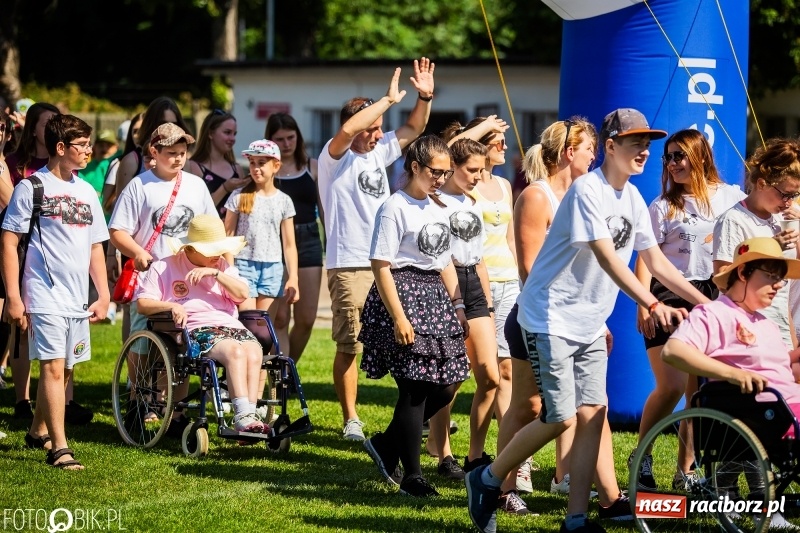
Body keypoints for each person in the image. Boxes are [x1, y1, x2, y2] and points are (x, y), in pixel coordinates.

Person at [465, 108, 711, 533]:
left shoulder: (632, 197)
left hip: (588, 323)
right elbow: (607, 256)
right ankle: (485, 479)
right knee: (559, 416)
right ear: (611, 147)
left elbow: (656, 261)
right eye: (636, 144)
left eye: (647, 145)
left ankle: (576, 518)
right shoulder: (587, 193)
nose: (645, 153)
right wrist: (653, 304)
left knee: (594, 415)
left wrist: (706, 303)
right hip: (548, 318)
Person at [317, 57, 435, 441]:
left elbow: (415, 126)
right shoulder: (333, 158)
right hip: (348, 264)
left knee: (404, 338)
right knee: (351, 343)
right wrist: (386, 99)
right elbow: (349, 129)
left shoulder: (379, 152)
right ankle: (351, 418)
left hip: (386, 262)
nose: (377, 135)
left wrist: (425, 95)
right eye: (371, 129)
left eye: (379, 130)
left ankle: (415, 415)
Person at [630, 128, 746, 491]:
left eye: (679, 155)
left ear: (701, 156)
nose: (672, 163)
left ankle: (686, 471)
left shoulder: (732, 197)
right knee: (671, 385)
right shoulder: (662, 206)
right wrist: (644, 303)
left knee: (698, 393)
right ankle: (642, 455)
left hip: (715, 294)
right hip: (668, 296)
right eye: (668, 157)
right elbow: (646, 260)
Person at [496, 118, 601, 514]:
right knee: (529, 407)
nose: (595, 156)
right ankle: (502, 487)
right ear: (570, 152)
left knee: (576, 406)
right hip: (536, 319)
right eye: (590, 148)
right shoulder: (538, 197)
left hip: (574, 319)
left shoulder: (583, 195)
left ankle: (566, 478)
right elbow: (529, 268)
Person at [662, 236, 800, 530]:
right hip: (761, 411)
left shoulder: (767, 324)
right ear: (743, 273)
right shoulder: (712, 313)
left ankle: (726, 491)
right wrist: (734, 374)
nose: (778, 285)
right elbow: (673, 351)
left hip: (782, 406)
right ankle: (747, 500)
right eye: (770, 277)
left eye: (781, 279)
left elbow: (778, 369)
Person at [360, 135, 469, 497]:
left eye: (446, 172)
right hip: (401, 295)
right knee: (415, 388)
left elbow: (445, 262)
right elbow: (381, 264)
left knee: (448, 382)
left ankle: (387, 445)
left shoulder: (439, 208)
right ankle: (412, 476)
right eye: (435, 171)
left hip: (435, 299)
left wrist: (458, 307)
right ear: (415, 167)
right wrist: (399, 318)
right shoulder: (395, 206)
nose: (441, 178)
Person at [1, 114, 109, 469]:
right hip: (43, 294)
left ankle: (36, 431)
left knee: (66, 371)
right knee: (52, 368)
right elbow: (9, 240)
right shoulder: (31, 188)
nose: (89, 151)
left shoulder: (87, 191)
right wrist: (15, 297)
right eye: (82, 145)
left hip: (77, 298)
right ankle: (59, 447)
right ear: (60, 148)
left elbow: (96, 245)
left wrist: (103, 293)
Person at [109, 122, 217, 436]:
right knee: (143, 342)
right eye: (171, 153)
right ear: (153, 152)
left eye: (183, 153)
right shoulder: (140, 186)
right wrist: (138, 253)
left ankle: (175, 410)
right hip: (151, 277)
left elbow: (211, 225)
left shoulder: (196, 185)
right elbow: (117, 231)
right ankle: (139, 401)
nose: (179, 158)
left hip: (186, 278)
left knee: (179, 344)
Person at [135, 214, 267, 433]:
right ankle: (243, 417)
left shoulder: (221, 266)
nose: (217, 255)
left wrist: (216, 274)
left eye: (219, 249)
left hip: (230, 324)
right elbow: (143, 304)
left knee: (254, 351)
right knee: (234, 352)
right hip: (195, 327)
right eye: (210, 251)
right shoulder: (164, 267)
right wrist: (171, 307)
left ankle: (248, 417)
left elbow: (243, 293)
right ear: (190, 249)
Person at [424, 138, 493, 483]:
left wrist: (489, 304)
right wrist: (456, 302)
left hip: (474, 285)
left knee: (491, 376)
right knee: (450, 378)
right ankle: (444, 453)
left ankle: (476, 455)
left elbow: (478, 257)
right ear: (452, 167)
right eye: (472, 170)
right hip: (444, 285)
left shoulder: (472, 202)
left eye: (482, 169)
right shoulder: (435, 203)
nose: (479, 176)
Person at [443, 115, 517, 427]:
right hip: (466, 280)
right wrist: (484, 126)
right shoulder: (460, 184)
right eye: (498, 140)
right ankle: (438, 434)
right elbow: (446, 152)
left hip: (506, 281)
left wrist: (521, 277)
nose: (505, 146)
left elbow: (511, 238)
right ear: (481, 147)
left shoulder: (504, 184)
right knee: (459, 370)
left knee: (505, 369)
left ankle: (509, 444)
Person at [713, 137, 800, 350]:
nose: (788, 202)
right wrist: (770, 247)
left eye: (795, 195)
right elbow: (722, 278)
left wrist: (792, 342)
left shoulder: (781, 220)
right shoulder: (733, 220)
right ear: (761, 184)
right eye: (785, 195)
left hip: (781, 331)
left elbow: (785, 289)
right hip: (745, 333)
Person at [266, 112, 322, 363]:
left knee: (307, 318)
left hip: (309, 238)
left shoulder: (313, 166)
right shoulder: (265, 171)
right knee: (279, 318)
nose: (287, 144)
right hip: (274, 242)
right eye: (280, 139)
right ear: (270, 141)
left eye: (291, 137)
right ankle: (280, 380)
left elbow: (324, 207)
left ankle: (287, 370)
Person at [224, 139, 299, 313]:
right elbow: (228, 237)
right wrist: (230, 269)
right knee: (248, 322)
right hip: (243, 265)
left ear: (276, 165)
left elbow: (289, 245)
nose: (255, 168)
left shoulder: (284, 201)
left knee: (265, 327)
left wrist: (293, 277)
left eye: (262, 163)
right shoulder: (239, 196)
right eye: (252, 163)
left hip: (272, 268)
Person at [114, 97, 191, 200]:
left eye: (174, 124)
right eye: (162, 123)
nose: (169, 128)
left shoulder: (185, 162)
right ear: (151, 124)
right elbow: (122, 207)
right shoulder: (132, 161)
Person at [185, 110, 250, 217]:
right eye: (227, 132)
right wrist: (224, 188)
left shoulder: (236, 169)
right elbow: (196, 212)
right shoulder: (194, 167)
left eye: (234, 134)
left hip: (233, 233)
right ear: (210, 133)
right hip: (208, 232)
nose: (232, 139)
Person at [6, 102, 59, 187]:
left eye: (58, 125)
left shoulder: (66, 162)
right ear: (33, 130)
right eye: (47, 125)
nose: (54, 130)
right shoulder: (13, 163)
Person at [79, 129, 118, 200]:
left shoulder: (119, 168)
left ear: (116, 147)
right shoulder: (83, 169)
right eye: (101, 145)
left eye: (109, 146)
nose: (104, 149)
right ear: (94, 147)